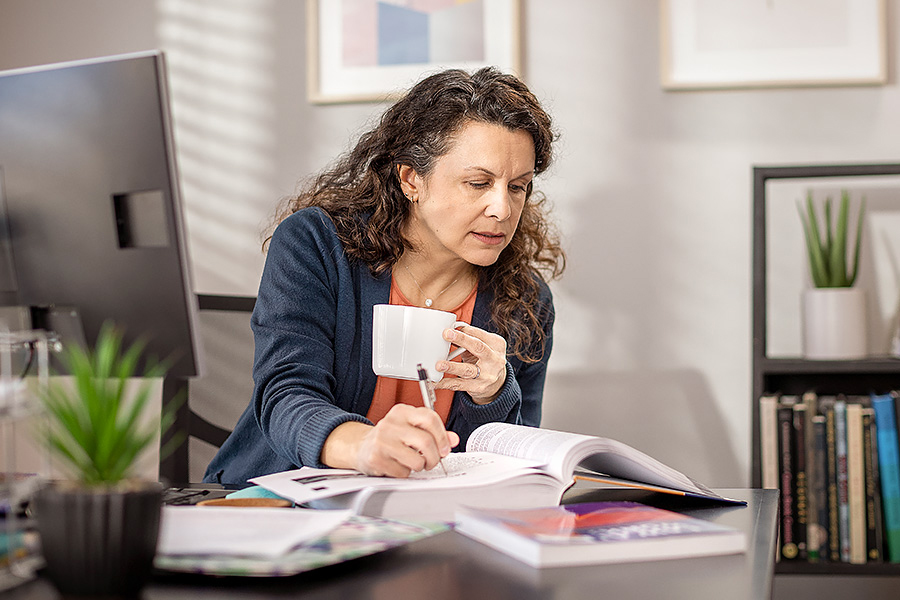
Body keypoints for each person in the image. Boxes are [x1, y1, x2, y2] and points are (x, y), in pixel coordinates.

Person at [204, 67, 565, 486]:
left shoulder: (526, 300)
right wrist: (364, 446)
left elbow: (510, 459)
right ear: (412, 178)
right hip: (281, 507)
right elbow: (286, 397)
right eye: (478, 183)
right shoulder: (316, 245)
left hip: (425, 520)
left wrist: (492, 396)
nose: (502, 210)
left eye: (518, 187)